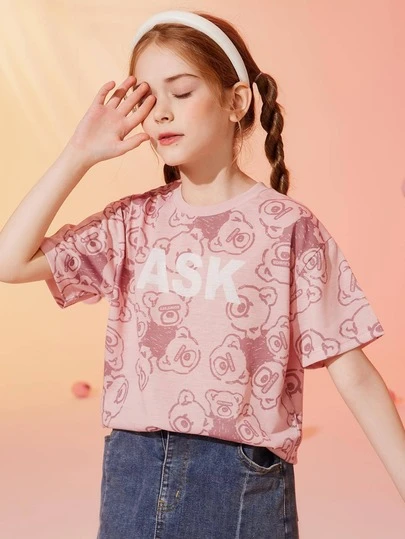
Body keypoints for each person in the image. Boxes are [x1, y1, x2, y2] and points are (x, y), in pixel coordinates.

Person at [0, 8, 404, 539]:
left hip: (240, 482)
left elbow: (353, 371)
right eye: (149, 98)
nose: (162, 113)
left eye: (182, 91)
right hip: (133, 473)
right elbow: (10, 261)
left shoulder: (287, 228)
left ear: (236, 102)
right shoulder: (132, 222)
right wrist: (79, 154)